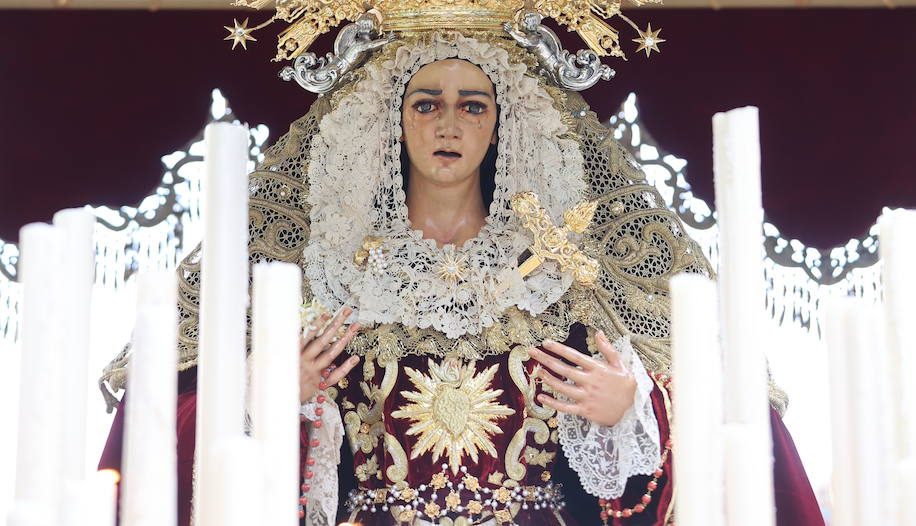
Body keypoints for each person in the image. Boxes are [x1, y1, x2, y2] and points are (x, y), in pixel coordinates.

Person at [100, 32, 825, 526]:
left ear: (500, 124)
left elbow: (719, 415)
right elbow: (173, 424)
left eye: (472, 105)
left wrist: (633, 408)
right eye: (426, 103)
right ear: (393, 121)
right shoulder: (318, 276)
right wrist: (264, 394)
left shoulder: (571, 275)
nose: (448, 123)